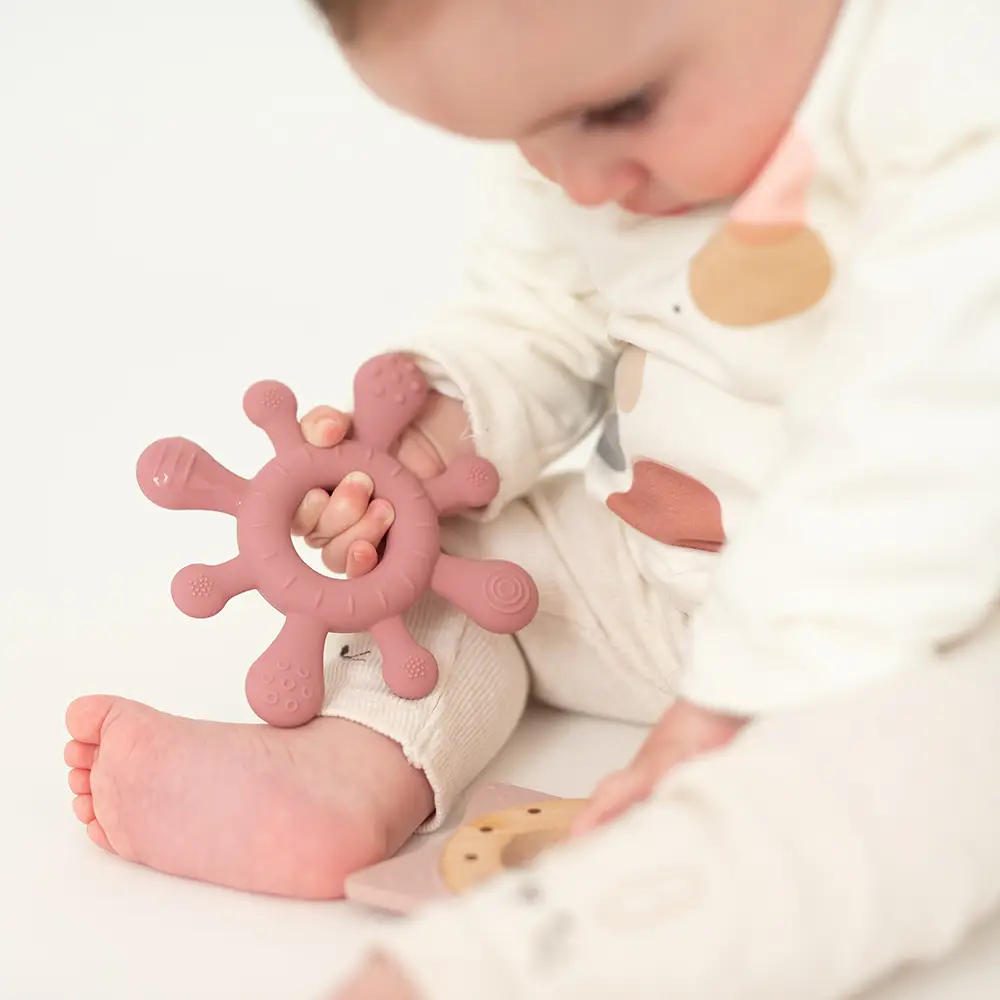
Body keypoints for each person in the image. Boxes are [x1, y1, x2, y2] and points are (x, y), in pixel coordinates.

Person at [65, 0, 1000, 996]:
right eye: (524, 135)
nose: (582, 183)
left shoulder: (951, 92)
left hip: (928, 624)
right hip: (660, 579)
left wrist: (731, 698)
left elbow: (914, 447)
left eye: (618, 110)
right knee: (463, 561)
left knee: (926, 771)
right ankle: (356, 762)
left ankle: (551, 956)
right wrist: (429, 438)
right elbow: (540, 310)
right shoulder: (589, 112)